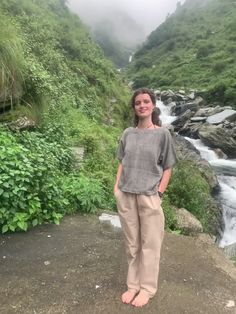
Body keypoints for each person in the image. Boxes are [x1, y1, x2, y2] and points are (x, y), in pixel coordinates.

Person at [114, 88, 177, 307]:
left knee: (150, 244)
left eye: (146, 101)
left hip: (149, 196)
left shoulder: (162, 134)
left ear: (153, 105)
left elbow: (168, 167)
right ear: (134, 107)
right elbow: (121, 162)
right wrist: (116, 189)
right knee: (132, 244)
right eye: (138, 102)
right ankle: (133, 286)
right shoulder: (127, 133)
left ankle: (147, 289)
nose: (142, 105)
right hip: (126, 194)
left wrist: (159, 193)